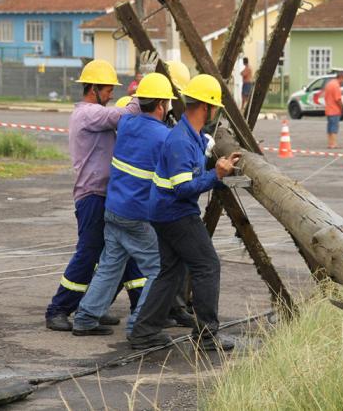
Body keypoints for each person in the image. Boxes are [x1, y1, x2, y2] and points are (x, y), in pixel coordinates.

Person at [128, 74, 241, 351]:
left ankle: (143, 331)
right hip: (174, 212)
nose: (215, 114)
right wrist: (217, 173)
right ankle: (206, 336)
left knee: (170, 272)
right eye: (215, 108)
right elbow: (183, 188)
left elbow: (189, 171)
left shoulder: (188, 136)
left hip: (164, 211)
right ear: (206, 107)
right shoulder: (180, 141)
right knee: (207, 265)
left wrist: (210, 159)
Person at [45, 59, 145, 332]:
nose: (112, 93)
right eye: (108, 88)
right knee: (89, 253)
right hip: (92, 197)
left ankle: (105, 308)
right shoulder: (87, 114)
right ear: (93, 89)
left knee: (119, 252)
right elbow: (125, 114)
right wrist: (143, 88)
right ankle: (58, 309)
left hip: (104, 195)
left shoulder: (93, 113)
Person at [73, 73, 175, 336]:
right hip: (136, 214)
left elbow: (127, 110)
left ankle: (85, 318)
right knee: (158, 268)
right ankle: (140, 325)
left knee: (110, 265)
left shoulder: (127, 123)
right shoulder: (164, 136)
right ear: (162, 105)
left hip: (113, 208)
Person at [324, 71, 343, 149]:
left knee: (329, 127)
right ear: (341, 78)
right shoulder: (336, 86)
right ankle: (333, 144)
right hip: (334, 109)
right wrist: (342, 108)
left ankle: (330, 143)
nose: (342, 82)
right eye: (342, 80)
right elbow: (338, 99)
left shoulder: (329, 84)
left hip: (328, 108)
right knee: (334, 127)